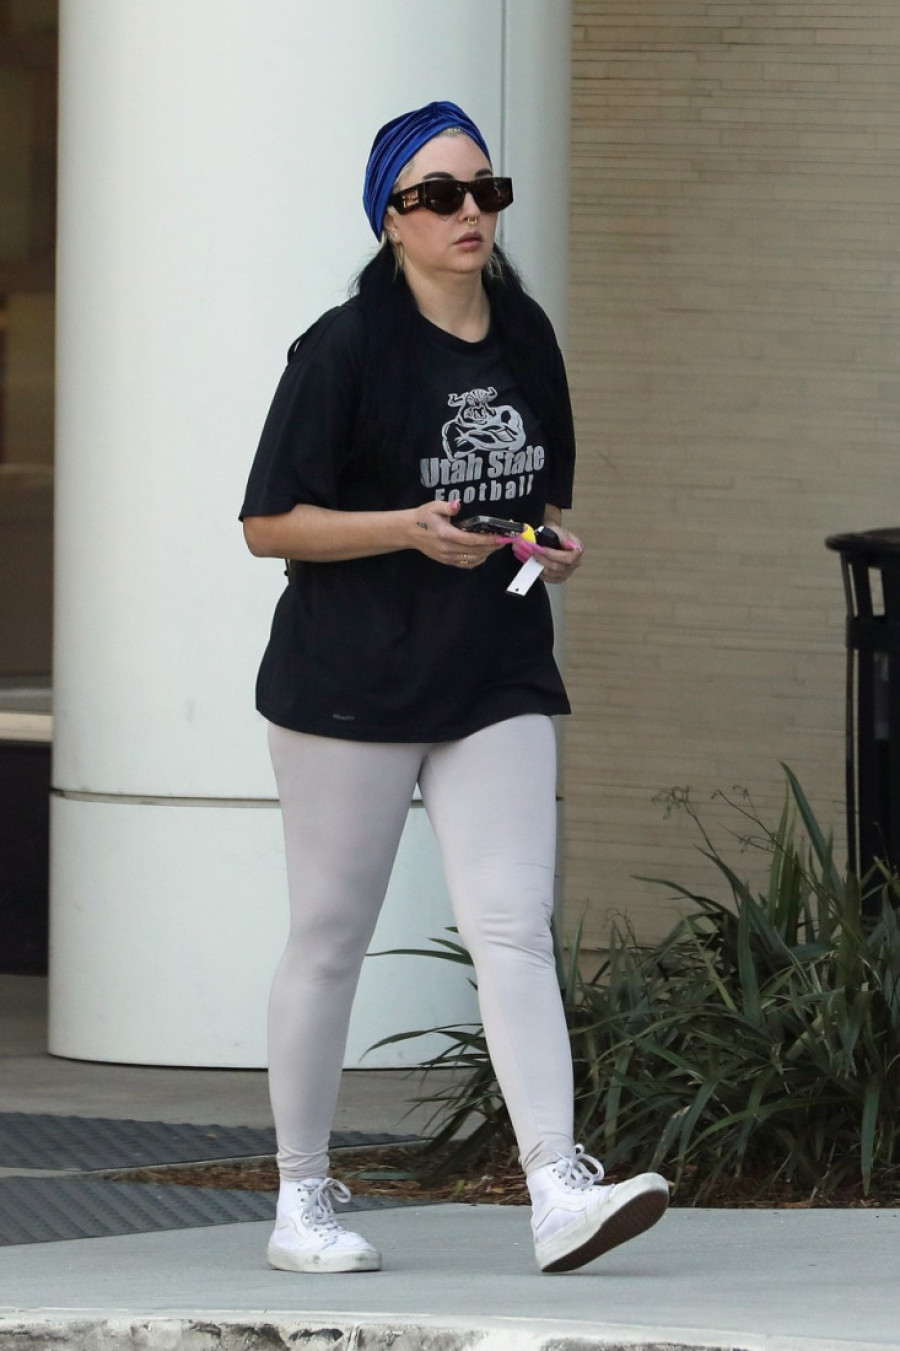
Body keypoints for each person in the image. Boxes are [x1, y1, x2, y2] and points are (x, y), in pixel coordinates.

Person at [240, 99, 668, 1276]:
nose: (469, 212)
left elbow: (535, 506)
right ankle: (300, 1200)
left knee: (513, 928)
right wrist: (404, 529)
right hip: (351, 681)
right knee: (331, 937)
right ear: (391, 219)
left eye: (486, 190)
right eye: (438, 196)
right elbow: (269, 524)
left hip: (493, 673)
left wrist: (542, 551)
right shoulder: (345, 349)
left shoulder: (524, 333)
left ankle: (556, 1188)